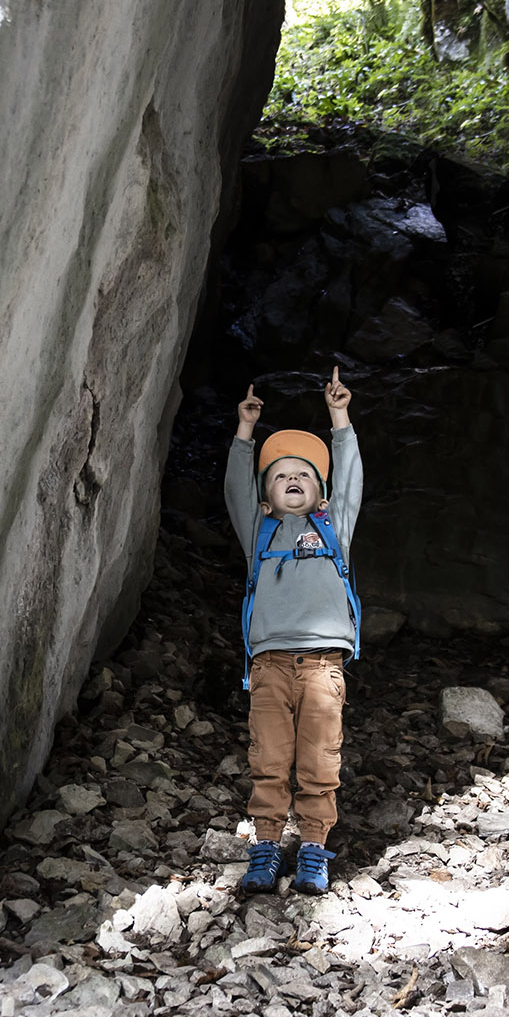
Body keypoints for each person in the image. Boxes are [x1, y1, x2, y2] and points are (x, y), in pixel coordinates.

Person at [225, 368, 362, 896]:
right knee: (269, 757)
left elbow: (348, 475)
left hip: (324, 664)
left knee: (320, 759)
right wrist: (245, 434)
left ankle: (311, 848)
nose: (294, 481)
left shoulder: (333, 529)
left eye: (304, 475)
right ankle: (264, 846)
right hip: (270, 665)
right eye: (280, 477)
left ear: (321, 494)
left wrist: (339, 418)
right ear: (266, 498)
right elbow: (236, 486)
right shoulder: (259, 532)